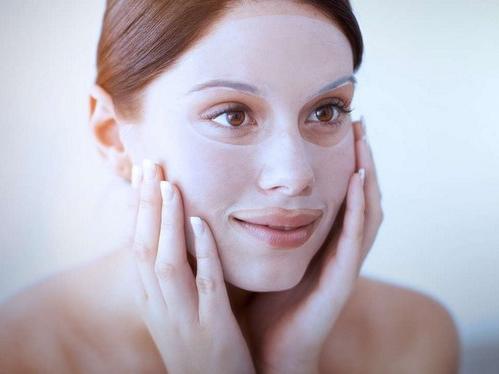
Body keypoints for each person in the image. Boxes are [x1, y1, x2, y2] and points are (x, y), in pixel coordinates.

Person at [0, 0, 460, 372]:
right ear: (113, 136)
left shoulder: (411, 336)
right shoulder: (19, 354)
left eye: (326, 111)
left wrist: (291, 364)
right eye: (231, 115)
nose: (295, 175)